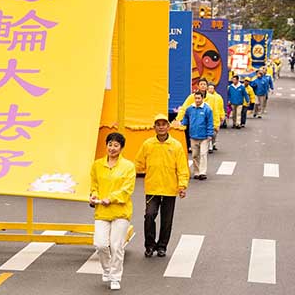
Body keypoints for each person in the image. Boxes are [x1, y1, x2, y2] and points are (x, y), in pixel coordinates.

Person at [135, 114, 189, 258]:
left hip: (170, 189)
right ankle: (149, 245)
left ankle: (162, 246)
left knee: (166, 220)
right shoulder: (148, 144)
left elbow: (182, 168)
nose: (161, 127)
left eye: (163, 124)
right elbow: (139, 163)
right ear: (154, 127)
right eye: (158, 124)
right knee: (149, 215)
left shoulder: (176, 146)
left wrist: (182, 186)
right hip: (152, 187)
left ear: (168, 126)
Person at [89, 132, 135, 291]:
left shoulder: (128, 166)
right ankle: (107, 269)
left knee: (116, 246)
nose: (112, 148)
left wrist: (112, 198)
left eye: (116, 145)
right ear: (106, 145)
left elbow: (127, 189)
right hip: (102, 210)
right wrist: (94, 195)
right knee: (100, 244)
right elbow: (94, 184)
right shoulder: (97, 165)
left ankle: (115, 277)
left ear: (121, 148)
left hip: (121, 211)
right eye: (110, 144)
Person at [175, 78, 220, 152]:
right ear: (198, 86)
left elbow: (215, 111)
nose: (203, 86)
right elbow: (184, 108)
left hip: (206, 120)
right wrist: (178, 119)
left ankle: (208, 146)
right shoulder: (192, 97)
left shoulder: (212, 98)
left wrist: (216, 124)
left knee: (207, 136)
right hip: (194, 120)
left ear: (207, 86)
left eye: (204, 84)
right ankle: (191, 146)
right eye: (201, 84)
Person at [180, 92, 214, 180]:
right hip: (193, 136)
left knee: (203, 154)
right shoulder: (190, 109)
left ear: (202, 98)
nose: (197, 100)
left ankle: (203, 172)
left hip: (204, 137)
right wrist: (181, 124)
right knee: (195, 155)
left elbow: (210, 123)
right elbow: (186, 119)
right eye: (196, 98)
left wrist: (210, 134)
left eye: (199, 98)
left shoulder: (207, 109)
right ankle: (196, 172)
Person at [207, 83, 224, 151]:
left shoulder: (218, 97)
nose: (211, 89)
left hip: (216, 116)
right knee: (209, 132)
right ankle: (210, 146)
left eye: (212, 88)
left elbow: (221, 107)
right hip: (208, 117)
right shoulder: (205, 97)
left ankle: (213, 143)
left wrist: (222, 115)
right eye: (209, 88)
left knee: (215, 132)